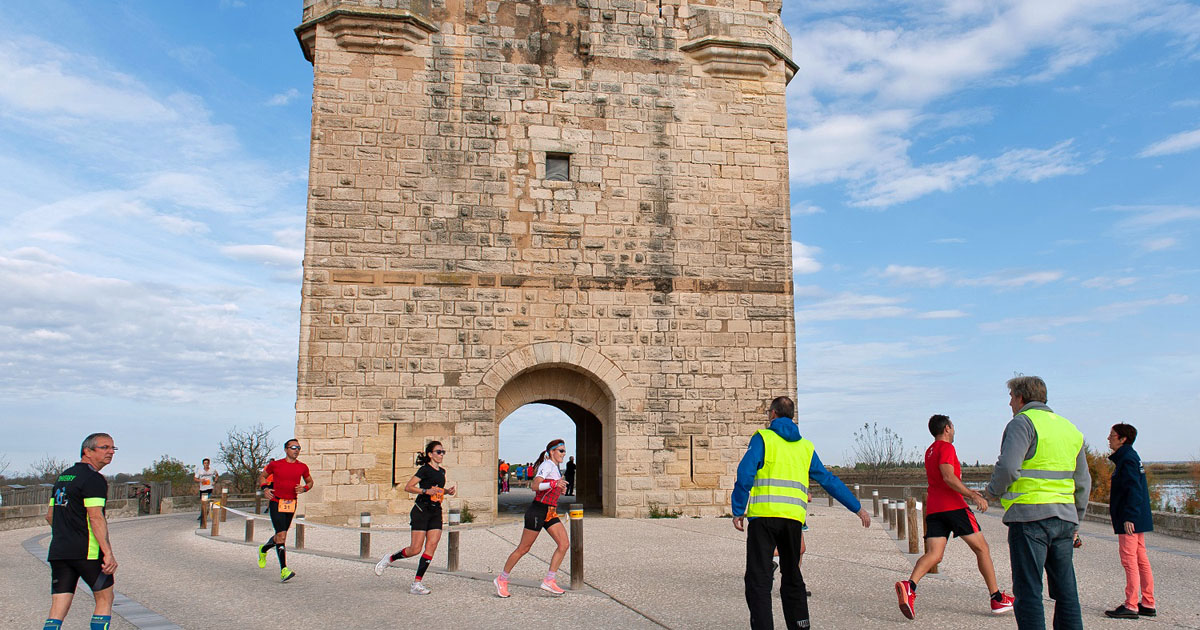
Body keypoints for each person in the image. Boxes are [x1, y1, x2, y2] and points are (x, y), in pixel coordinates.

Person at [731, 396, 871, 630]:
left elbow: (745, 472)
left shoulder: (763, 438)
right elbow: (828, 480)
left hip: (763, 519)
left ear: (773, 414)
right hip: (793, 521)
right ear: (792, 416)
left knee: (759, 579)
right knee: (792, 575)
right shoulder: (805, 447)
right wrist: (856, 507)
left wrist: (738, 509)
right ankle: (800, 625)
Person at [984, 376, 1089, 630]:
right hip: (1064, 520)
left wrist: (991, 492)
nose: (1010, 403)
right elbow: (1083, 482)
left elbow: (1008, 467)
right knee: (1066, 592)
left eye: (1011, 398)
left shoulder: (1022, 423)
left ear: (1021, 398)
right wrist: (1076, 519)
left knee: (1029, 590)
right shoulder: (1070, 429)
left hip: (1029, 519)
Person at [895, 414, 1014, 619]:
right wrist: (972, 495)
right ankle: (996, 598)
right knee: (982, 548)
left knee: (934, 554)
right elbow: (948, 476)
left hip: (934, 508)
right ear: (947, 428)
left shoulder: (930, 451)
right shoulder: (946, 448)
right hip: (954, 506)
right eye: (953, 426)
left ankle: (910, 586)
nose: (954, 430)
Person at [44, 433, 119, 630]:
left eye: (113, 448)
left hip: (60, 550)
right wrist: (108, 553)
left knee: (58, 607)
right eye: (105, 447)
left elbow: (50, 516)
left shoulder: (63, 477)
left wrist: (67, 533)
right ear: (87, 451)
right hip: (88, 551)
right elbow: (95, 517)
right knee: (104, 598)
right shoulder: (93, 478)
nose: (111, 452)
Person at [375, 441, 456, 594]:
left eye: (443, 452)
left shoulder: (442, 472)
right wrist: (425, 491)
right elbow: (409, 487)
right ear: (430, 454)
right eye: (438, 452)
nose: (441, 455)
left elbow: (437, 490)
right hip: (421, 510)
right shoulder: (424, 470)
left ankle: (417, 583)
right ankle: (390, 558)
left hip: (436, 511)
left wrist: (447, 491)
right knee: (415, 549)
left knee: (432, 545)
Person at [493, 439, 570, 598]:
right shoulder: (547, 465)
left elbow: (552, 486)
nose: (564, 453)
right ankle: (502, 579)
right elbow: (534, 486)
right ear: (551, 452)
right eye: (561, 450)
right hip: (537, 510)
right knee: (523, 548)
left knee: (564, 544)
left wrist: (560, 488)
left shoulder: (555, 468)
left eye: (564, 451)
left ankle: (549, 580)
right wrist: (554, 485)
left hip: (550, 512)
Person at [1104, 423, 1157, 619]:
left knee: (1130, 560)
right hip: (1138, 518)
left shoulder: (1127, 459)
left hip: (1131, 521)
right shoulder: (1131, 457)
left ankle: (1131, 605)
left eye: (1112, 435)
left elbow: (1133, 490)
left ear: (1122, 438)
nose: (1109, 438)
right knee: (1141, 559)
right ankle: (1148, 603)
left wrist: (1128, 517)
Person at [256, 439, 313, 582]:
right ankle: (284, 570)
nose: (296, 450)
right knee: (281, 536)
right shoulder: (275, 465)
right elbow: (262, 476)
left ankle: (263, 549)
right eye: (293, 447)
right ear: (286, 449)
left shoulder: (302, 467)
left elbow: (310, 481)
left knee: (280, 536)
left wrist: (304, 488)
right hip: (277, 502)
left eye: (298, 448)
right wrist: (265, 488)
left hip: (291, 503)